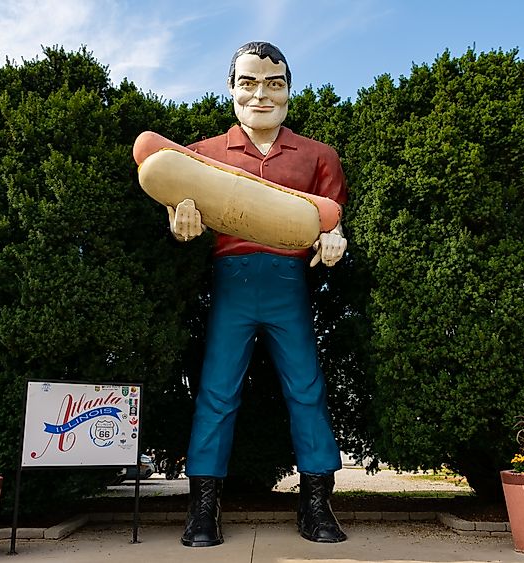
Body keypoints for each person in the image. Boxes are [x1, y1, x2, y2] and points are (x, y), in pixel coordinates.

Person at [168, 41, 348, 547]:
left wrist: (333, 239)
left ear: (289, 89)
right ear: (230, 89)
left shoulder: (318, 155)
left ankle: (317, 501)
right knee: (217, 391)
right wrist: (181, 225)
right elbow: (181, 218)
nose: (261, 95)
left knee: (306, 389)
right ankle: (203, 508)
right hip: (232, 281)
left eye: (274, 83)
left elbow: (330, 220)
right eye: (248, 82)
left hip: (289, 282)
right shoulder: (201, 155)